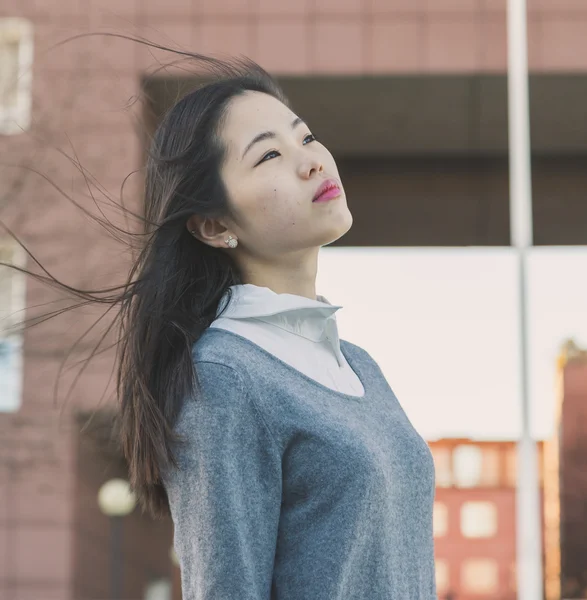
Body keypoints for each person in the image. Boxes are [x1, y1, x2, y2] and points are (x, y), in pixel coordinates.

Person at [6, 46, 437, 599]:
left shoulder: (359, 365)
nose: (312, 161)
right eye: (268, 157)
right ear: (213, 225)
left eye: (304, 138)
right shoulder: (225, 378)